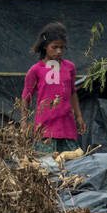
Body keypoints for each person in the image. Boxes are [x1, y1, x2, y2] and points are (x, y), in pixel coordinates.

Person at [21, 22, 85, 154]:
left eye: (62, 47)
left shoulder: (70, 67)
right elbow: (26, 97)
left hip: (67, 125)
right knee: (46, 164)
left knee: (71, 163)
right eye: (55, 47)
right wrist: (24, 123)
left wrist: (79, 117)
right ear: (45, 47)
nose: (59, 51)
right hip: (45, 128)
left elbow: (72, 93)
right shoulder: (36, 70)